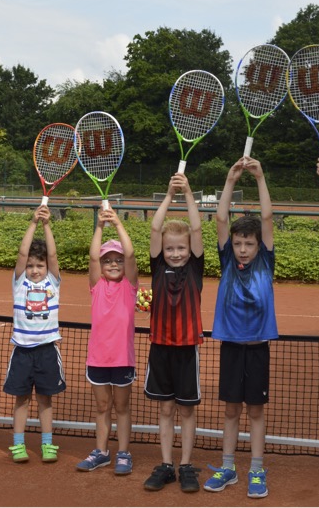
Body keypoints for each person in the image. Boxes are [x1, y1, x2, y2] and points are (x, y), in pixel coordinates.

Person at [204, 156, 277, 499]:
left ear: (259, 245)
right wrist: (230, 180)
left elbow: (266, 217)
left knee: (256, 412)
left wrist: (260, 177)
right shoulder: (227, 262)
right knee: (231, 409)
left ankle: (257, 469)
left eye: (249, 243)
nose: (243, 249)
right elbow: (220, 217)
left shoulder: (265, 261)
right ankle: (229, 466)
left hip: (258, 346)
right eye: (238, 243)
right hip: (232, 346)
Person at [142, 172, 205, 493]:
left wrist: (189, 192)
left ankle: (186, 465)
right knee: (165, 408)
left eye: (181, 248)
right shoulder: (157, 268)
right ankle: (166, 464)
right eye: (171, 249)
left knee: (186, 410)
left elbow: (196, 228)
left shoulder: (195, 269)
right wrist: (169, 195)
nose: (177, 253)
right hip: (160, 348)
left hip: (187, 348)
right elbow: (155, 228)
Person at [76, 206, 138, 475]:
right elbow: (91, 257)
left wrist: (118, 223)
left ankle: (124, 452)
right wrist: (100, 226)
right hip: (97, 360)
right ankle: (101, 452)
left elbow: (132, 253)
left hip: (122, 359)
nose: (113, 264)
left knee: (122, 407)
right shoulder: (97, 285)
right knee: (102, 407)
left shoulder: (129, 286)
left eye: (118, 260)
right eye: (107, 260)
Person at [4, 204, 66, 464]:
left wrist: (47, 225)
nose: (35, 270)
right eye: (30, 265)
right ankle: (18, 445)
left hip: (47, 350)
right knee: (21, 400)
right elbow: (21, 253)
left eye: (39, 265)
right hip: (22, 350)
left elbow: (52, 255)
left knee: (45, 400)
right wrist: (32, 223)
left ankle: (47, 444)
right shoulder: (20, 282)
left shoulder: (53, 281)